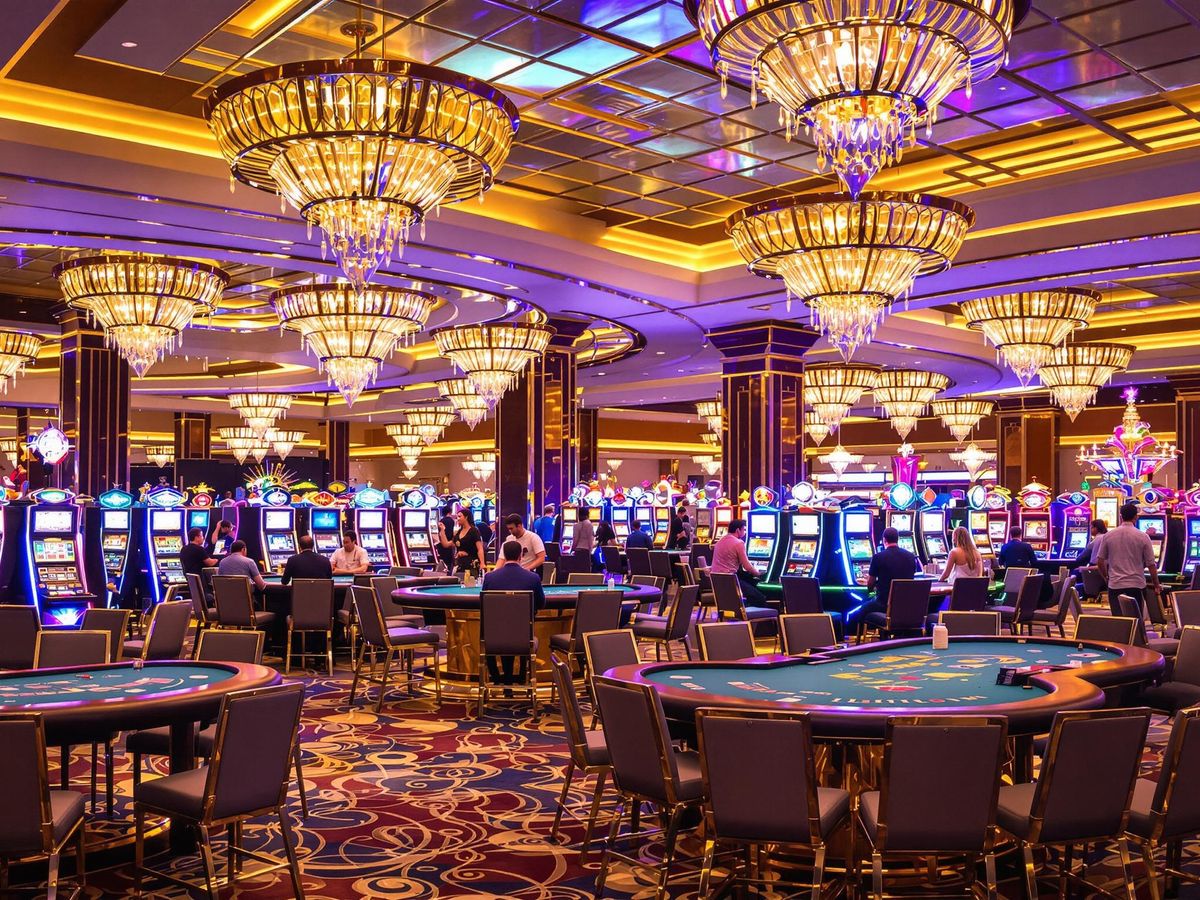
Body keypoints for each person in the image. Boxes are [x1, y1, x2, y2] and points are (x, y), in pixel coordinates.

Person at [480, 541, 546, 687]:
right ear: (520, 556)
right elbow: (541, 604)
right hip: (524, 637)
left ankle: (498, 679)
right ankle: (522, 677)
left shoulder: (490, 578)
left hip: (494, 638)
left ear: (504, 554)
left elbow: (483, 604)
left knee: (495, 633)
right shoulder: (532, 578)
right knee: (524, 633)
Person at [1097, 502, 1162, 617]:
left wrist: (1106, 577)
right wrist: (1156, 585)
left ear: (1121, 516)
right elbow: (1151, 565)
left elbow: (1100, 561)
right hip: (1136, 584)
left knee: (1119, 621)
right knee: (1135, 621)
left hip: (1115, 584)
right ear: (1136, 517)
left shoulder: (1108, 535)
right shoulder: (1143, 536)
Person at [854, 527, 921, 626]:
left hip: (884, 604)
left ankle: (860, 640)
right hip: (906, 606)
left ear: (884, 540)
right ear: (897, 539)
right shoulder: (911, 557)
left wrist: (871, 588)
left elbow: (870, 584)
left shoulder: (878, 557)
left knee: (861, 610)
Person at [710, 518, 766, 605]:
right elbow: (747, 566)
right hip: (731, 581)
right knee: (759, 597)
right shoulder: (738, 543)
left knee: (749, 583)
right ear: (738, 530)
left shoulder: (719, 542)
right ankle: (755, 615)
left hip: (718, 581)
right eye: (744, 529)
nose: (745, 532)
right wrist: (758, 574)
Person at [439, 508, 486, 576]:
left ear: (466, 517)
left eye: (459, 516)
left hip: (471, 564)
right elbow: (446, 544)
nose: (457, 519)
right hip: (460, 564)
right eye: (457, 517)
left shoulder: (474, 531)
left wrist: (482, 563)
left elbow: (480, 549)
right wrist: (442, 530)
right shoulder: (458, 532)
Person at [437, 506, 457, 572]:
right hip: (449, 542)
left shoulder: (441, 521)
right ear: (450, 512)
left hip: (441, 542)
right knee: (449, 563)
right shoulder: (451, 520)